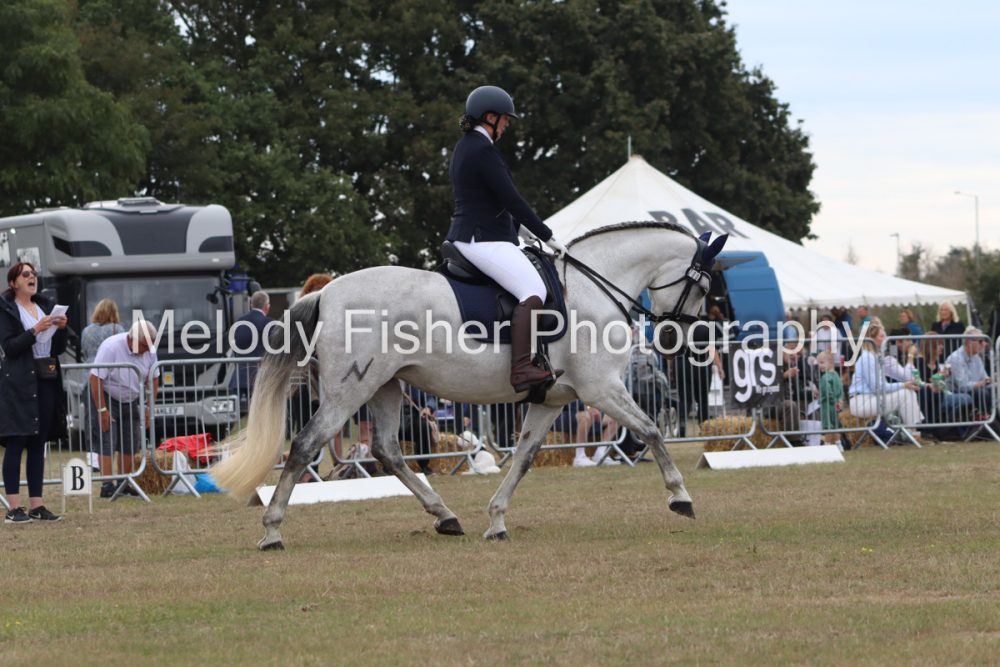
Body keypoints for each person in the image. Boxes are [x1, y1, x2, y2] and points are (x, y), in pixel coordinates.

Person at [446, 85, 567, 392]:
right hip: (481, 238)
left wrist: (520, 231)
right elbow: (512, 199)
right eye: (504, 119)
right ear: (490, 117)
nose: (506, 126)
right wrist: (547, 235)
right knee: (534, 290)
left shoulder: (466, 146)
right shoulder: (483, 150)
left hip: (478, 233)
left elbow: (490, 201)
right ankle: (522, 368)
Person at [1, 262, 68, 523]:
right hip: (19, 381)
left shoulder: (44, 306)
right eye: (26, 274)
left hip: (45, 378)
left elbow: (57, 348)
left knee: (38, 444)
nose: (33, 277)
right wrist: (34, 330)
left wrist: (60, 329)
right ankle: (14, 508)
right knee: (17, 440)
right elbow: (9, 347)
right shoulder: (7, 309)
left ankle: (37, 505)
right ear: (13, 283)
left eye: (34, 274)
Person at [88, 320, 160, 498]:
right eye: (144, 346)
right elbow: (95, 378)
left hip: (131, 399)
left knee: (131, 441)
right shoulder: (111, 347)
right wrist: (102, 410)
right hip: (107, 397)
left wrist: (149, 407)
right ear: (132, 339)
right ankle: (107, 485)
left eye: (150, 346)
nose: (147, 350)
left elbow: (153, 378)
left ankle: (124, 483)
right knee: (107, 440)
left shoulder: (150, 350)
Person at [847, 323, 923, 437]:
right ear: (872, 339)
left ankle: (913, 432)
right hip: (862, 402)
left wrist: (904, 385)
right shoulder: (868, 358)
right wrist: (903, 385)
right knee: (905, 394)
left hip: (870, 398)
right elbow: (878, 388)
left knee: (908, 392)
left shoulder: (875, 357)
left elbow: (882, 386)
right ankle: (913, 433)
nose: (886, 339)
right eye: (882, 336)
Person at [229, 291, 273, 412]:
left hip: (240, 376)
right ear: (266, 307)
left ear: (251, 305)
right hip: (261, 376)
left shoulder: (239, 322)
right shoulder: (269, 323)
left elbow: (235, 346)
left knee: (240, 414)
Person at [944, 327, 991, 417]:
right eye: (980, 341)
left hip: (974, 391)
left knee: (993, 389)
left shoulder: (976, 357)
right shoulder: (956, 358)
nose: (984, 344)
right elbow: (963, 387)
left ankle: (993, 418)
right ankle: (985, 418)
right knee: (982, 393)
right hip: (957, 392)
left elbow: (985, 379)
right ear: (969, 343)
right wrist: (984, 382)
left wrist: (993, 380)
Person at [81, 298, 125, 363]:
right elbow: (122, 351)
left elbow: (85, 353)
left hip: (90, 366)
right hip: (110, 366)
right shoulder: (118, 329)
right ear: (114, 313)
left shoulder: (86, 330)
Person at [816, 350, 843, 444]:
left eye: (822, 362)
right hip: (836, 406)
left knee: (827, 426)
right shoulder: (836, 375)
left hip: (827, 406)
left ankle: (827, 445)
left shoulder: (825, 377)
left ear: (831, 362)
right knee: (835, 426)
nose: (820, 366)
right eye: (819, 363)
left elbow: (828, 392)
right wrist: (839, 400)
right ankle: (838, 444)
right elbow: (840, 390)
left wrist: (821, 397)